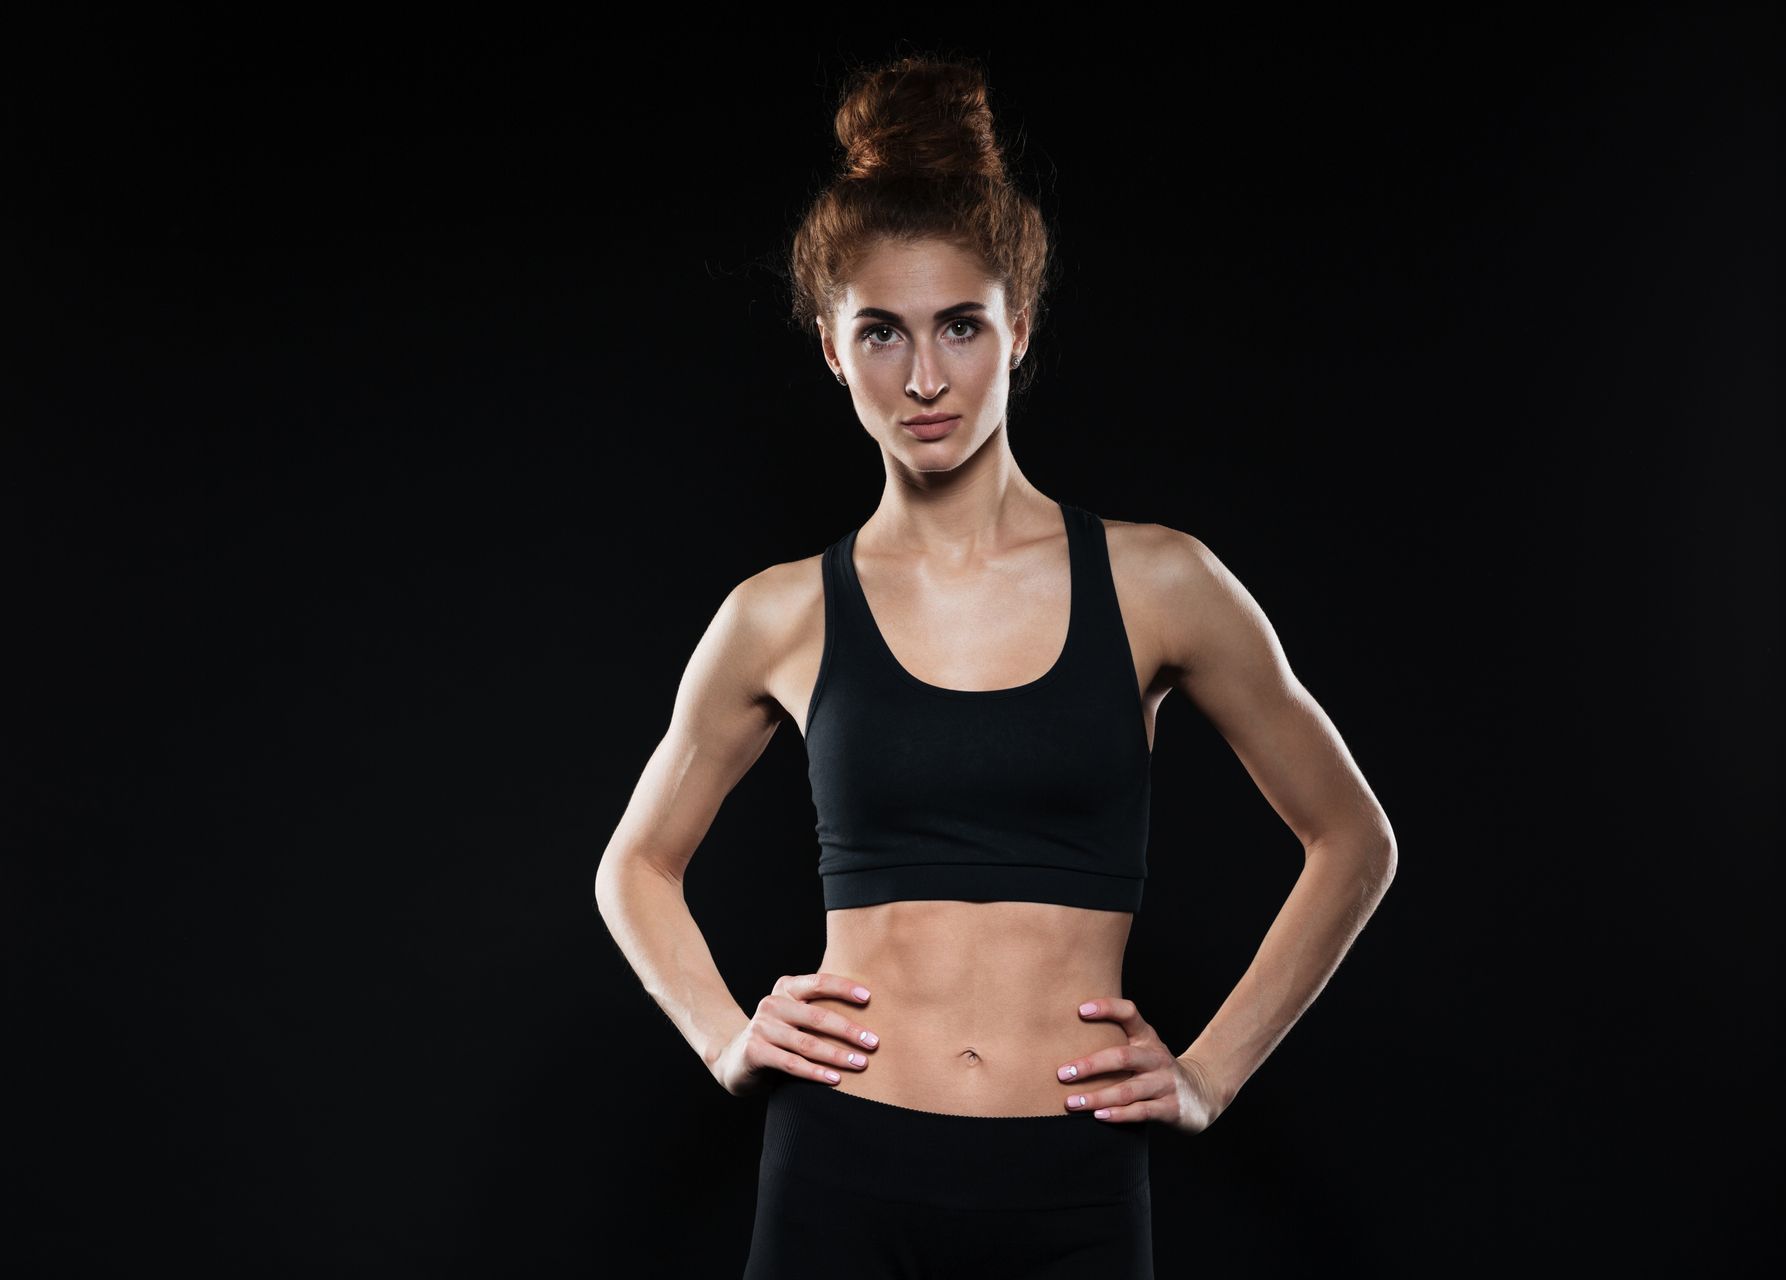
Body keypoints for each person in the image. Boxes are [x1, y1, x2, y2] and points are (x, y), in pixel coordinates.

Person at [593, 51, 1398, 1279]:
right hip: (837, 1178)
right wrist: (724, 1035)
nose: (926, 379)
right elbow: (634, 865)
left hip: (1068, 1189)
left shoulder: (1160, 582)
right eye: (883, 334)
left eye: (961, 325)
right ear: (829, 347)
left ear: (1019, 326)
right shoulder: (778, 615)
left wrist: (1207, 1073)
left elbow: (1354, 838)